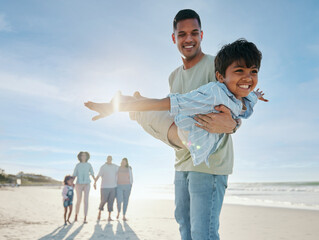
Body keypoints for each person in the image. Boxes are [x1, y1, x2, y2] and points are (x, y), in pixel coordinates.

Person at [85, 9, 255, 240]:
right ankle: (132, 104)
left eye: (194, 33)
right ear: (174, 38)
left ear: (201, 35)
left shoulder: (216, 64)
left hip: (209, 163)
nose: (189, 39)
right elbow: (173, 106)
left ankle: (133, 104)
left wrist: (233, 125)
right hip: (182, 160)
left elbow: (239, 100)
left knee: (202, 233)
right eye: (182, 34)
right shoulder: (174, 76)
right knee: (184, 227)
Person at [85, 39, 268, 167]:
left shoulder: (243, 97)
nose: (248, 77)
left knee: (144, 109)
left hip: (184, 126)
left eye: (253, 71)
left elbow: (248, 104)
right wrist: (117, 108)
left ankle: (134, 100)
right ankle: (126, 103)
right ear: (220, 76)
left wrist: (255, 96)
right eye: (239, 70)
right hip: (179, 133)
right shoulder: (214, 93)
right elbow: (171, 103)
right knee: (143, 114)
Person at [94, 155, 119, 221]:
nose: (109, 159)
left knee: (111, 202)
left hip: (113, 187)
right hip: (104, 187)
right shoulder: (103, 167)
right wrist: (95, 182)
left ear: (111, 159)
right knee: (103, 201)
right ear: (107, 159)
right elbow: (98, 175)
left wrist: (128, 168)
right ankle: (99, 212)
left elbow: (122, 169)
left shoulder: (115, 166)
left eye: (110, 158)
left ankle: (109, 216)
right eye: (108, 158)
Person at [72, 151, 95, 223]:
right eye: (82, 155)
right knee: (78, 200)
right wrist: (71, 183)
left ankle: (85, 217)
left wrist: (95, 182)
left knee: (86, 201)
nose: (83, 157)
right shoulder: (78, 165)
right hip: (78, 184)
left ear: (87, 157)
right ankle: (76, 215)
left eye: (85, 155)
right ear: (80, 156)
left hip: (87, 184)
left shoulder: (89, 165)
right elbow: (74, 174)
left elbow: (92, 173)